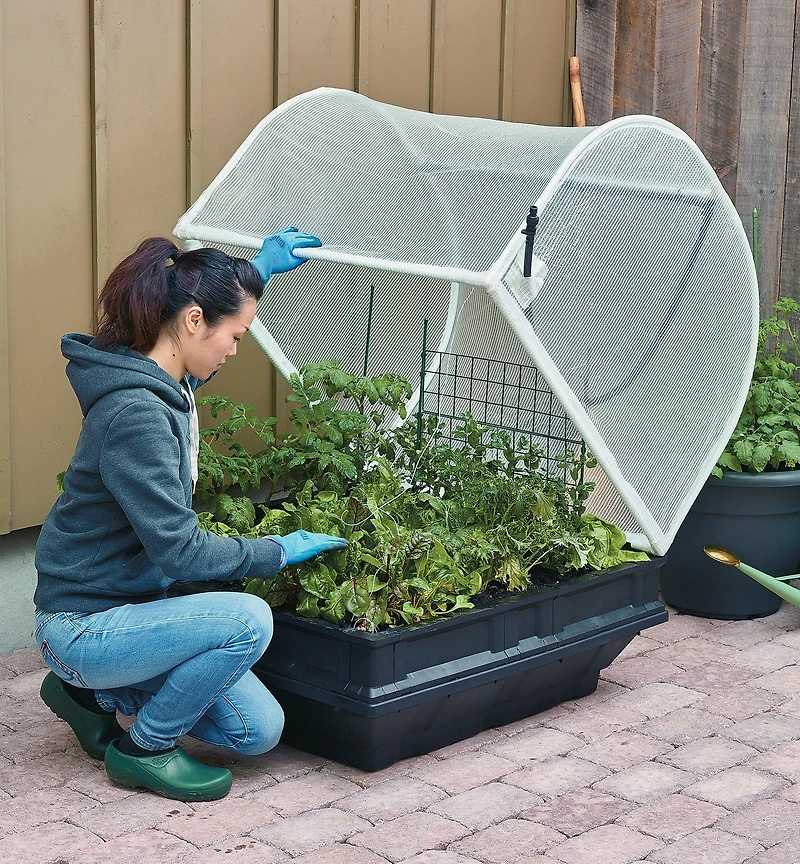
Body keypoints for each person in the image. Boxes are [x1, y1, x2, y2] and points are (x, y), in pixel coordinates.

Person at [33, 227, 348, 802]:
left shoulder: (163, 378)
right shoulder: (137, 414)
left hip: (135, 613)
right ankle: (143, 750)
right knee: (248, 619)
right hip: (82, 623)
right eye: (236, 334)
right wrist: (275, 552)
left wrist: (253, 273)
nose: (235, 348)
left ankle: (91, 697)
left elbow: (196, 356)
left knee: (257, 730)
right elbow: (179, 551)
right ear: (196, 321)